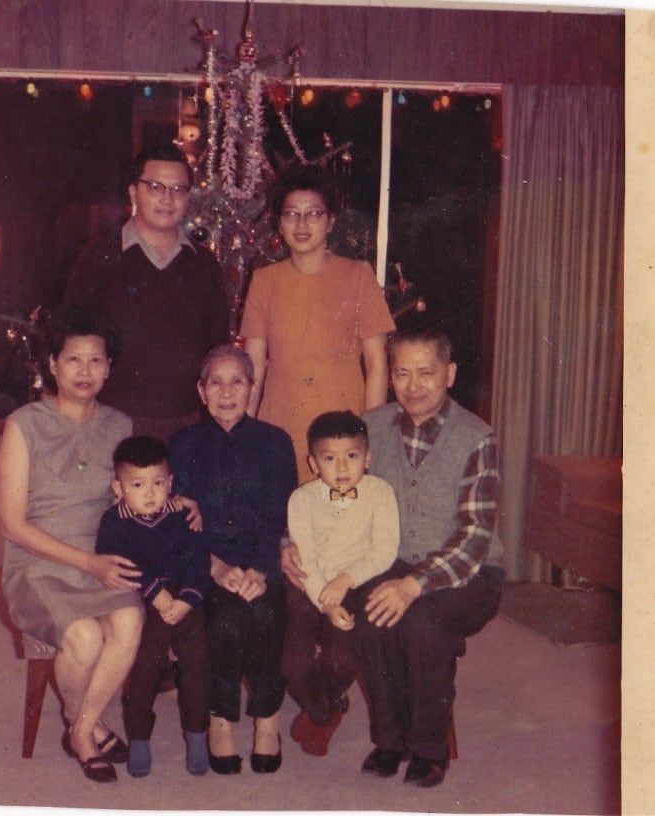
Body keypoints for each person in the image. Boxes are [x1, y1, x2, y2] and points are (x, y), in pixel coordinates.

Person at [282, 328, 505, 787]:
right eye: (402, 372)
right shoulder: (374, 427)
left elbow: (474, 537)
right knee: (370, 615)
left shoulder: (477, 437)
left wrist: (414, 584)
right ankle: (389, 740)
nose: (414, 384)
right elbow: (331, 493)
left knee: (422, 623)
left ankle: (429, 746)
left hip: (469, 572)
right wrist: (290, 541)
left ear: (450, 374)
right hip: (389, 559)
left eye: (427, 372)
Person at [0, 305, 145, 784]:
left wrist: (177, 502)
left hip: (99, 555)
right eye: (74, 360)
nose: (85, 371)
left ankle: (80, 726)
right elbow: (13, 524)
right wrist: (89, 563)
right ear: (53, 365)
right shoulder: (24, 424)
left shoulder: (121, 425)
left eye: (96, 361)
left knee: (129, 618)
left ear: (110, 368)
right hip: (37, 562)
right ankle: (86, 731)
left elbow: (134, 494)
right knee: (84, 635)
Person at [170, 344, 298, 775]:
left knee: (262, 613)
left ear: (251, 388)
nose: (227, 393)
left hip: (261, 561)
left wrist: (259, 570)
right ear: (201, 391)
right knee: (223, 618)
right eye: (216, 383)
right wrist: (217, 567)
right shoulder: (184, 443)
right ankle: (220, 719)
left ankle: (267, 718)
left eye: (237, 382)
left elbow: (280, 515)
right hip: (203, 562)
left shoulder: (276, 442)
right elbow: (179, 519)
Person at [63, 143, 230, 441]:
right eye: (156, 187)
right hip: (111, 422)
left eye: (178, 189)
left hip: (188, 425)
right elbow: (73, 342)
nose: (168, 199)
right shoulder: (99, 258)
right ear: (132, 192)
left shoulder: (204, 265)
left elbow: (216, 350)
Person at [240, 164, 395, 483]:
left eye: (313, 214)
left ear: (330, 222)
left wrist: (369, 433)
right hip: (280, 424)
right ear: (279, 223)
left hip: (341, 429)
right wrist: (243, 429)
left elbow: (377, 363)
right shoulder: (264, 281)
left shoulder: (358, 276)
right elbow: (253, 364)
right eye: (291, 213)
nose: (301, 224)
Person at [283, 410, 400, 757]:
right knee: (293, 663)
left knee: (344, 660)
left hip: (355, 585)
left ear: (367, 457)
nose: (343, 468)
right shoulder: (301, 499)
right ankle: (324, 712)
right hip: (308, 587)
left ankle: (322, 710)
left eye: (352, 456)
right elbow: (306, 561)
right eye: (330, 459)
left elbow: (384, 551)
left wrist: (345, 583)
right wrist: (326, 601)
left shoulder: (380, 492)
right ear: (313, 463)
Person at [95, 435, 211, 778]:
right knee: (145, 667)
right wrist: (155, 591)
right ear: (119, 488)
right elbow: (119, 563)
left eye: (158, 483)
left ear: (170, 483)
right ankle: (140, 738)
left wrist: (188, 599)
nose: (149, 493)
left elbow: (197, 561)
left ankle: (197, 734)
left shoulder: (180, 514)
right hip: (146, 600)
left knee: (198, 663)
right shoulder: (114, 521)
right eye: (138, 484)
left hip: (185, 600)